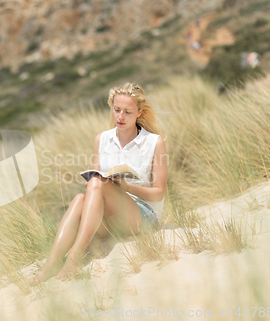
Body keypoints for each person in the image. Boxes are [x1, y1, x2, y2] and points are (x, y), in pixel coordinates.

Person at [29, 83, 168, 284]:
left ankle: (74, 259)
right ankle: (50, 264)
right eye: (116, 110)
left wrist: (126, 187)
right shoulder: (101, 139)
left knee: (98, 184)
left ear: (139, 112)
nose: (120, 117)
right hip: (109, 218)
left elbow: (159, 193)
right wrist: (94, 186)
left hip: (142, 217)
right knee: (80, 197)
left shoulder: (154, 142)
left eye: (127, 112)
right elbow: (96, 176)